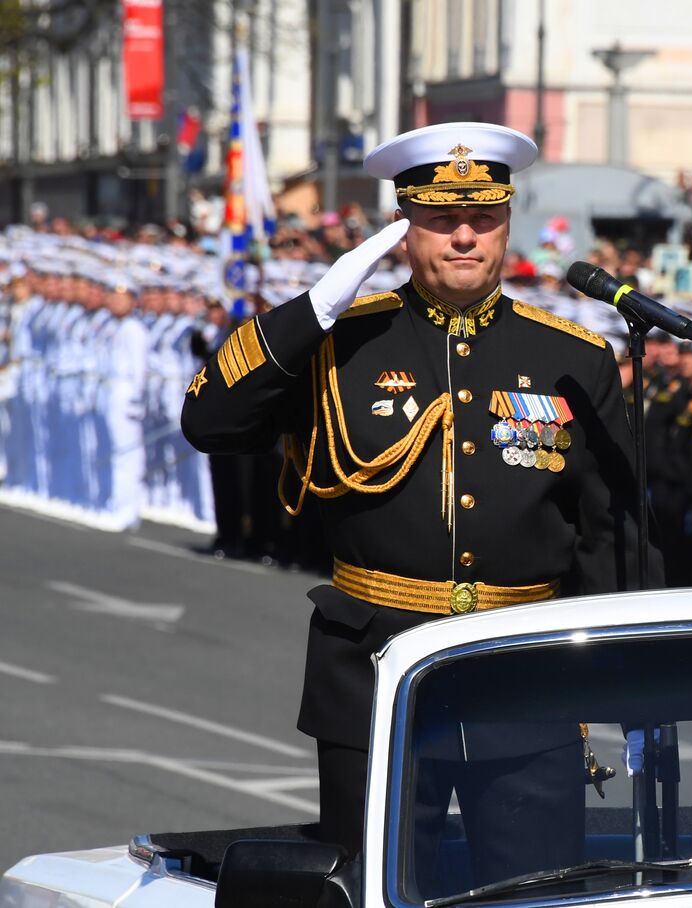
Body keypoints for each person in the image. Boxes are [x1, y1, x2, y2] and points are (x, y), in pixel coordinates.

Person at [181, 122, 660, 893]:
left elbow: (615, 532)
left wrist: (641, 683)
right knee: (377, 892)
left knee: (537, 895)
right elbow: (210, 423)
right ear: (404, 226)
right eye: (441, 219)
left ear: (508, 220)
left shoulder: (572, 358)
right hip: (374, 679)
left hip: (524, 682)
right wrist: (312, 310)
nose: (465, 236)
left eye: (484, 217)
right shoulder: (343, 342)